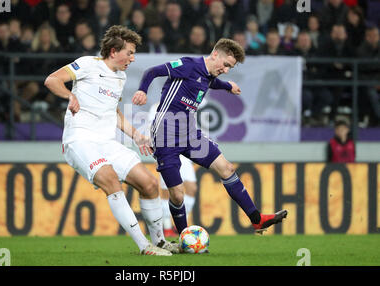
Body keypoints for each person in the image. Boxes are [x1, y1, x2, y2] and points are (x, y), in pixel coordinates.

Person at [132, 38, 288, 235]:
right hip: (165, 135)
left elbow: (212, 82)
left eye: (230, 67)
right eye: (226, 65)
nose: (226, 70)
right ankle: (184, 237)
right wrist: (142, 90)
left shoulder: (208, 74)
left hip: (189, 133)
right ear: (215, 54)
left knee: (227, 168)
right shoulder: (188, 65)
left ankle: (257, 219)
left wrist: (227, 86)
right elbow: (152, 72)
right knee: (178, 196)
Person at [44, 25, 177, 256]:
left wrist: (136, 135)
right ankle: (144, 247)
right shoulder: (88, 64)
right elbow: (52, 80)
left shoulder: (120, 77)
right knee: (110, 179)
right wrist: (70, 95)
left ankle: (161, 242)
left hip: (107, 141)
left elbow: (114, 112)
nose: (133, 58)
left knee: (149, 184)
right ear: (114, 51)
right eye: (130, 52)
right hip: (80, 140)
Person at [146, 103, 198, 237]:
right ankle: (167, 227)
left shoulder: (186, 101)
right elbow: (153, 129)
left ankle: (179, 224)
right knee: (168, 191)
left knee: (191, 188)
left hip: (184, 148)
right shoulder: (156, 107)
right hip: (167, 151)